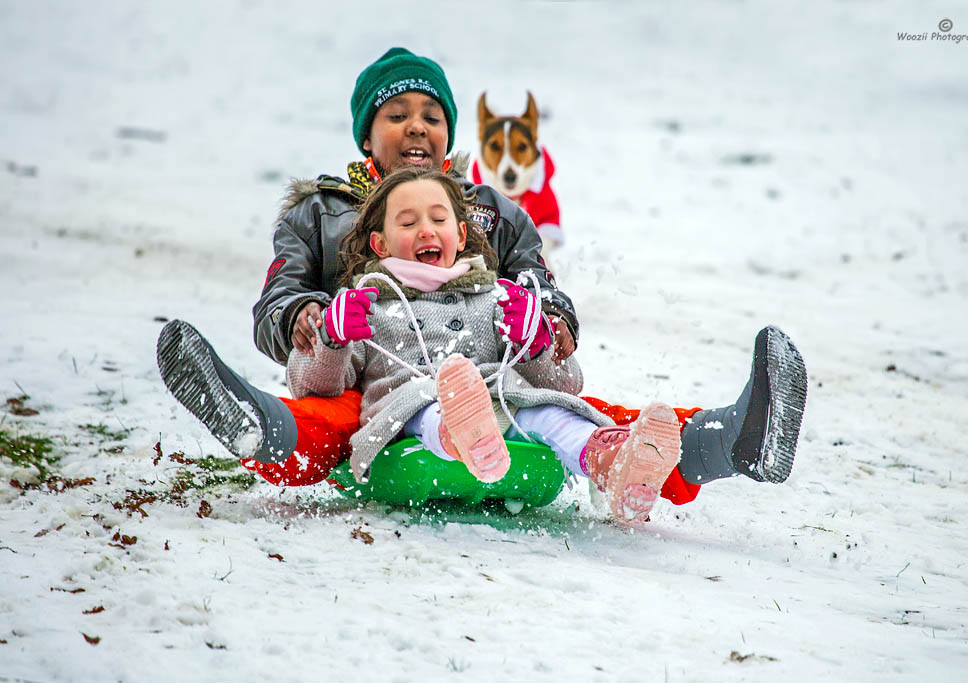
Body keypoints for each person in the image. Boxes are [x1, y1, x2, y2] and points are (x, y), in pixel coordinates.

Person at [160, 47, 806, 520]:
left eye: (431, 115)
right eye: (396, 113)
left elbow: (538, 281)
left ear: (447, 134)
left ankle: (731, 441)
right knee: (330, 417)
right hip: (369, 378)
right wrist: (312, 319)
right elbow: (279, 298)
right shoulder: (319, 213)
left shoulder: (490, 211)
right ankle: (254, 422)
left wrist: (544, 322)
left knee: (585, 417)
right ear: (366, 134)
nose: (416, 125)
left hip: (495, 373)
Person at [282, 166, 684, 523]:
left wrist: (535, 344)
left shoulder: (494, 297)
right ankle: (459, 435)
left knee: (545, 409)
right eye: (407, 224)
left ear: (459, 235)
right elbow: (310, 386)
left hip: (499, 401)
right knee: (429, 405)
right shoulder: (365, 306)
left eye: (438, 219)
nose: (425, 230)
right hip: (412, 415)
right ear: (380, 245)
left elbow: (566, 383)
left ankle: (613, 464)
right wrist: (331, 339)